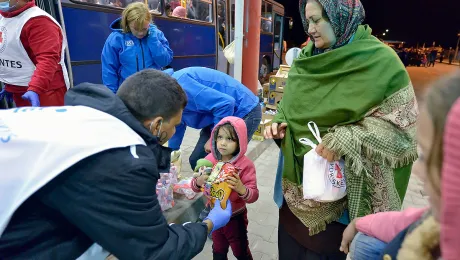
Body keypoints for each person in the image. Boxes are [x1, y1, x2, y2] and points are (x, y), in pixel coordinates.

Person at [0, 69, 232, 259]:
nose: (174, 132)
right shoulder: (123, 157)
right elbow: (154, 251)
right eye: (175, 125)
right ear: (156, 125)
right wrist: (208, 224)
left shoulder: (87, 115)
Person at [264, 0, 418, 259]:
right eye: (307, 21)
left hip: (339, 202)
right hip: (294, 193)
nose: (310, 29)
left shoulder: (380, 61)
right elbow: (290, 105)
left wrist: (349, 136)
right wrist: (280, 122)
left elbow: (402, 127)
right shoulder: (307, 58)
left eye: (316, 21)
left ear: (341, 18)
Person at [340, 71, 460, 260]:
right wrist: (359, 222)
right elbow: (408, 220)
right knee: (365, 240)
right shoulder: (440, 220)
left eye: (429, 158)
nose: (418, 170)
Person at [166, 67, 261, 171]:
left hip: (243, 111)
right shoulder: (168, 94)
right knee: (197, 160)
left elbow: (226, 104)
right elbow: (178, 122)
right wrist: (172, 152)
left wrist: (214, 139)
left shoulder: (181, 86)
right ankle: (203, 186)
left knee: (223, 167)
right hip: (217, 116)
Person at [191, 116, 259, 260]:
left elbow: (254, 195)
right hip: (214, 214)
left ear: (240, 142)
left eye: (230, 139)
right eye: (220, 137)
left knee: (240, 251)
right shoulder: (210, 160)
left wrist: (241, 188)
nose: (223, 143)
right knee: (218, 249)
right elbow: (194, 187)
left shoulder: (245, 166)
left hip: (236, 218)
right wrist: (199, 181)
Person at [0, 0, 69, 107]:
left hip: (44, 90)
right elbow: (11, 53)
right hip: (20, 89)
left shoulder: (39, 21)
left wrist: (36, 89)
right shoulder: (4, 18)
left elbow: (48, 60)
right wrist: (10, 85)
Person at [101, 2, 173, 93]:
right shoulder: (116, 38)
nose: (140, 33)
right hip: (127, 92)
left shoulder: (157, 35)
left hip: (154, 91)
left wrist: (153, 41)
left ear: (149, 23)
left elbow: (164, 61)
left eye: (144, 29)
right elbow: (109, 68)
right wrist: (112, 95)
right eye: (136, 29)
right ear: (127, 23)